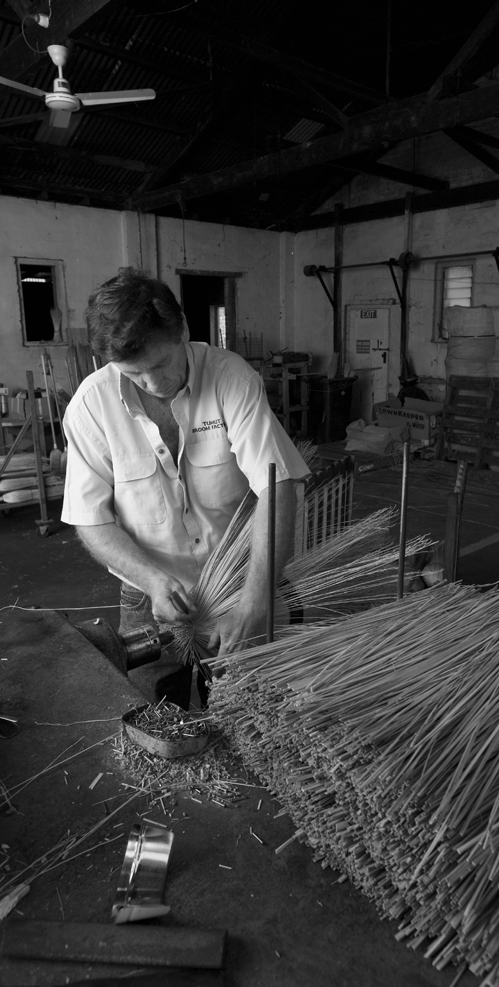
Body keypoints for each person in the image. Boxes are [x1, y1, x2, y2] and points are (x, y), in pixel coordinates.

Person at [61, 268, 310, 708]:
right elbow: (91, 520)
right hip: (149, 594)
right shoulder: (90, 407)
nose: (154, 384)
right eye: (135, 375)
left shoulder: (230, 377)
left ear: (184, 332)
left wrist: (257, 597)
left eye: (161, 365)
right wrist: (153, 581)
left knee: (251, 708)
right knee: (156, 715)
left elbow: (278, 484)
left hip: (240, 578)